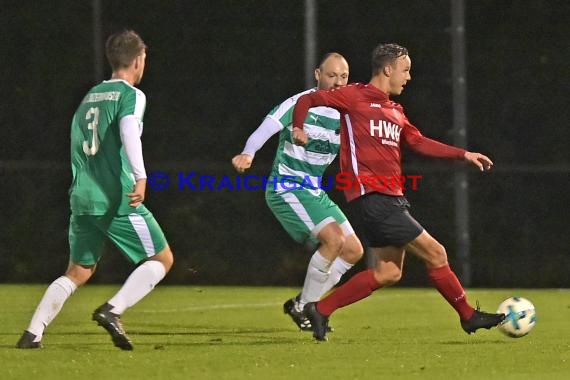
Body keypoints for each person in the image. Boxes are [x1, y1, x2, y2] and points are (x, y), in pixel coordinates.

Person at [291, 43, 505, 341]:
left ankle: (320, 309)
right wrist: (297, 128)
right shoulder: (354, 96)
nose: (408, 77)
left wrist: (462, 154)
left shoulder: (395, 110)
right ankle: (468, 316)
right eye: (405, 70)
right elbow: (309, 100)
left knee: (388, 272)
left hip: (392, 199)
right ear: (387, 69)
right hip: (372, 197)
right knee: (436, 252)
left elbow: (418, 142)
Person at [16, 30, 174, 350]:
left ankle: (33, 333)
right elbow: (130, 131)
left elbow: (77, 144)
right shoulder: (131, 94)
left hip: (82, 197)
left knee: (79, 270)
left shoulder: (89, 96)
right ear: (138, 59)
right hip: (116, 198)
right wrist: (141, 177)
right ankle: (113, 310)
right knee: (161, 258)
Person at [232, 53, 363, 331]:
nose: (338, 82)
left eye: (344, 76)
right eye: (331, 75)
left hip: (314, 191)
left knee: (353, 250)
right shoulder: (298, 103)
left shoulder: (347, 112)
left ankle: (301, 304)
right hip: (287, 186)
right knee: (333, 239)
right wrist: (248, 152)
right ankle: (310, 311)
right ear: (317, 74)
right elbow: (263, 130)